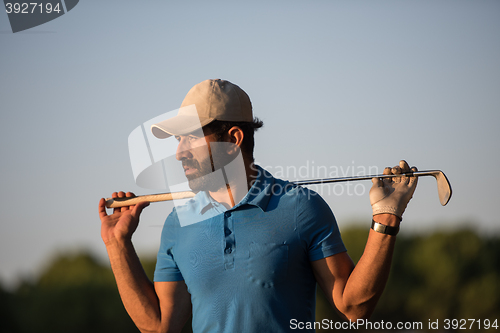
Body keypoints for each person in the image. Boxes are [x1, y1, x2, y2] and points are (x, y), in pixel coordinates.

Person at [98, 79, 418, 333]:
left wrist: (385, 218)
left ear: (234, 138)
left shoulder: (302, 208)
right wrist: (117, 245)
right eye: (177, 141)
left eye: (191, 138)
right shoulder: (178, 222)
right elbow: (159, 326)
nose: (179, 152)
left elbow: (354, 308)